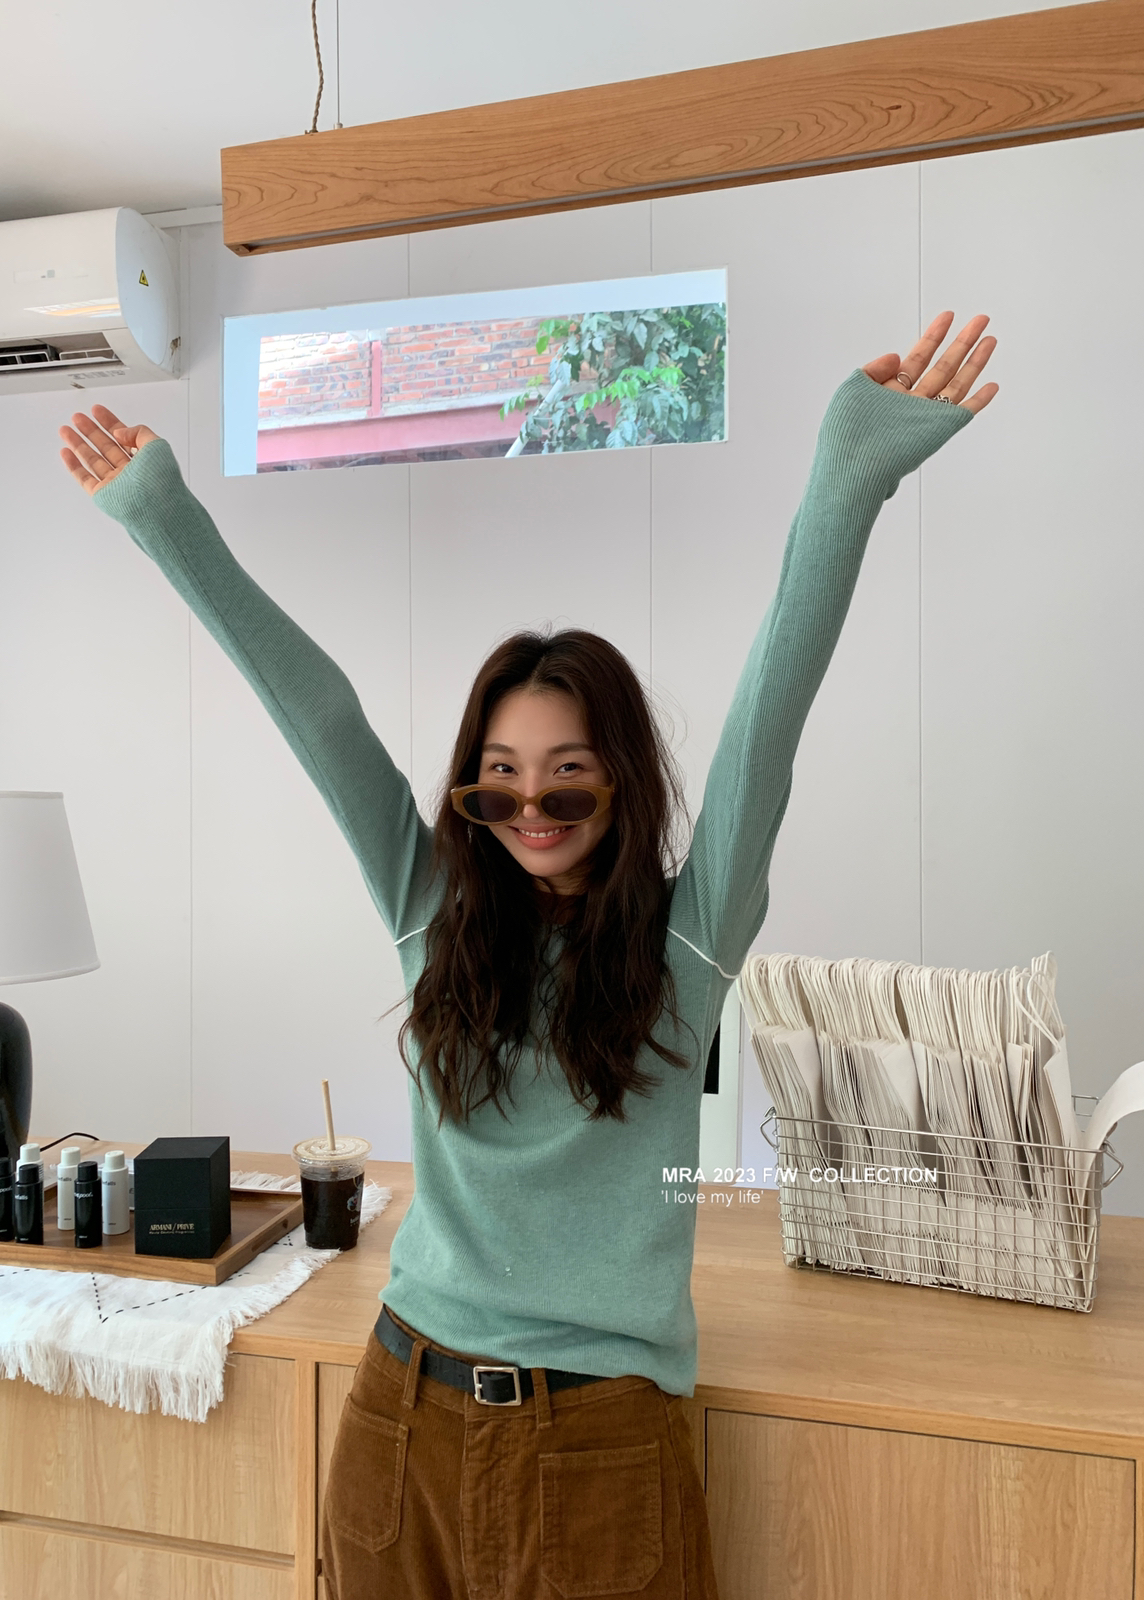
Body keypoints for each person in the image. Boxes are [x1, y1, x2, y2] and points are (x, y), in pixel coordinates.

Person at [59, 310, 997, 1600]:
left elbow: (766, 724)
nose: (532, 807)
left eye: (568, 772)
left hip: (599, 1446)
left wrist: (848, 481)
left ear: (621, 779)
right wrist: (163, 517)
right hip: (399, 1418)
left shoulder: (689, 936)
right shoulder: (432, 913)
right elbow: (320, 716)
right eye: (499, 776)